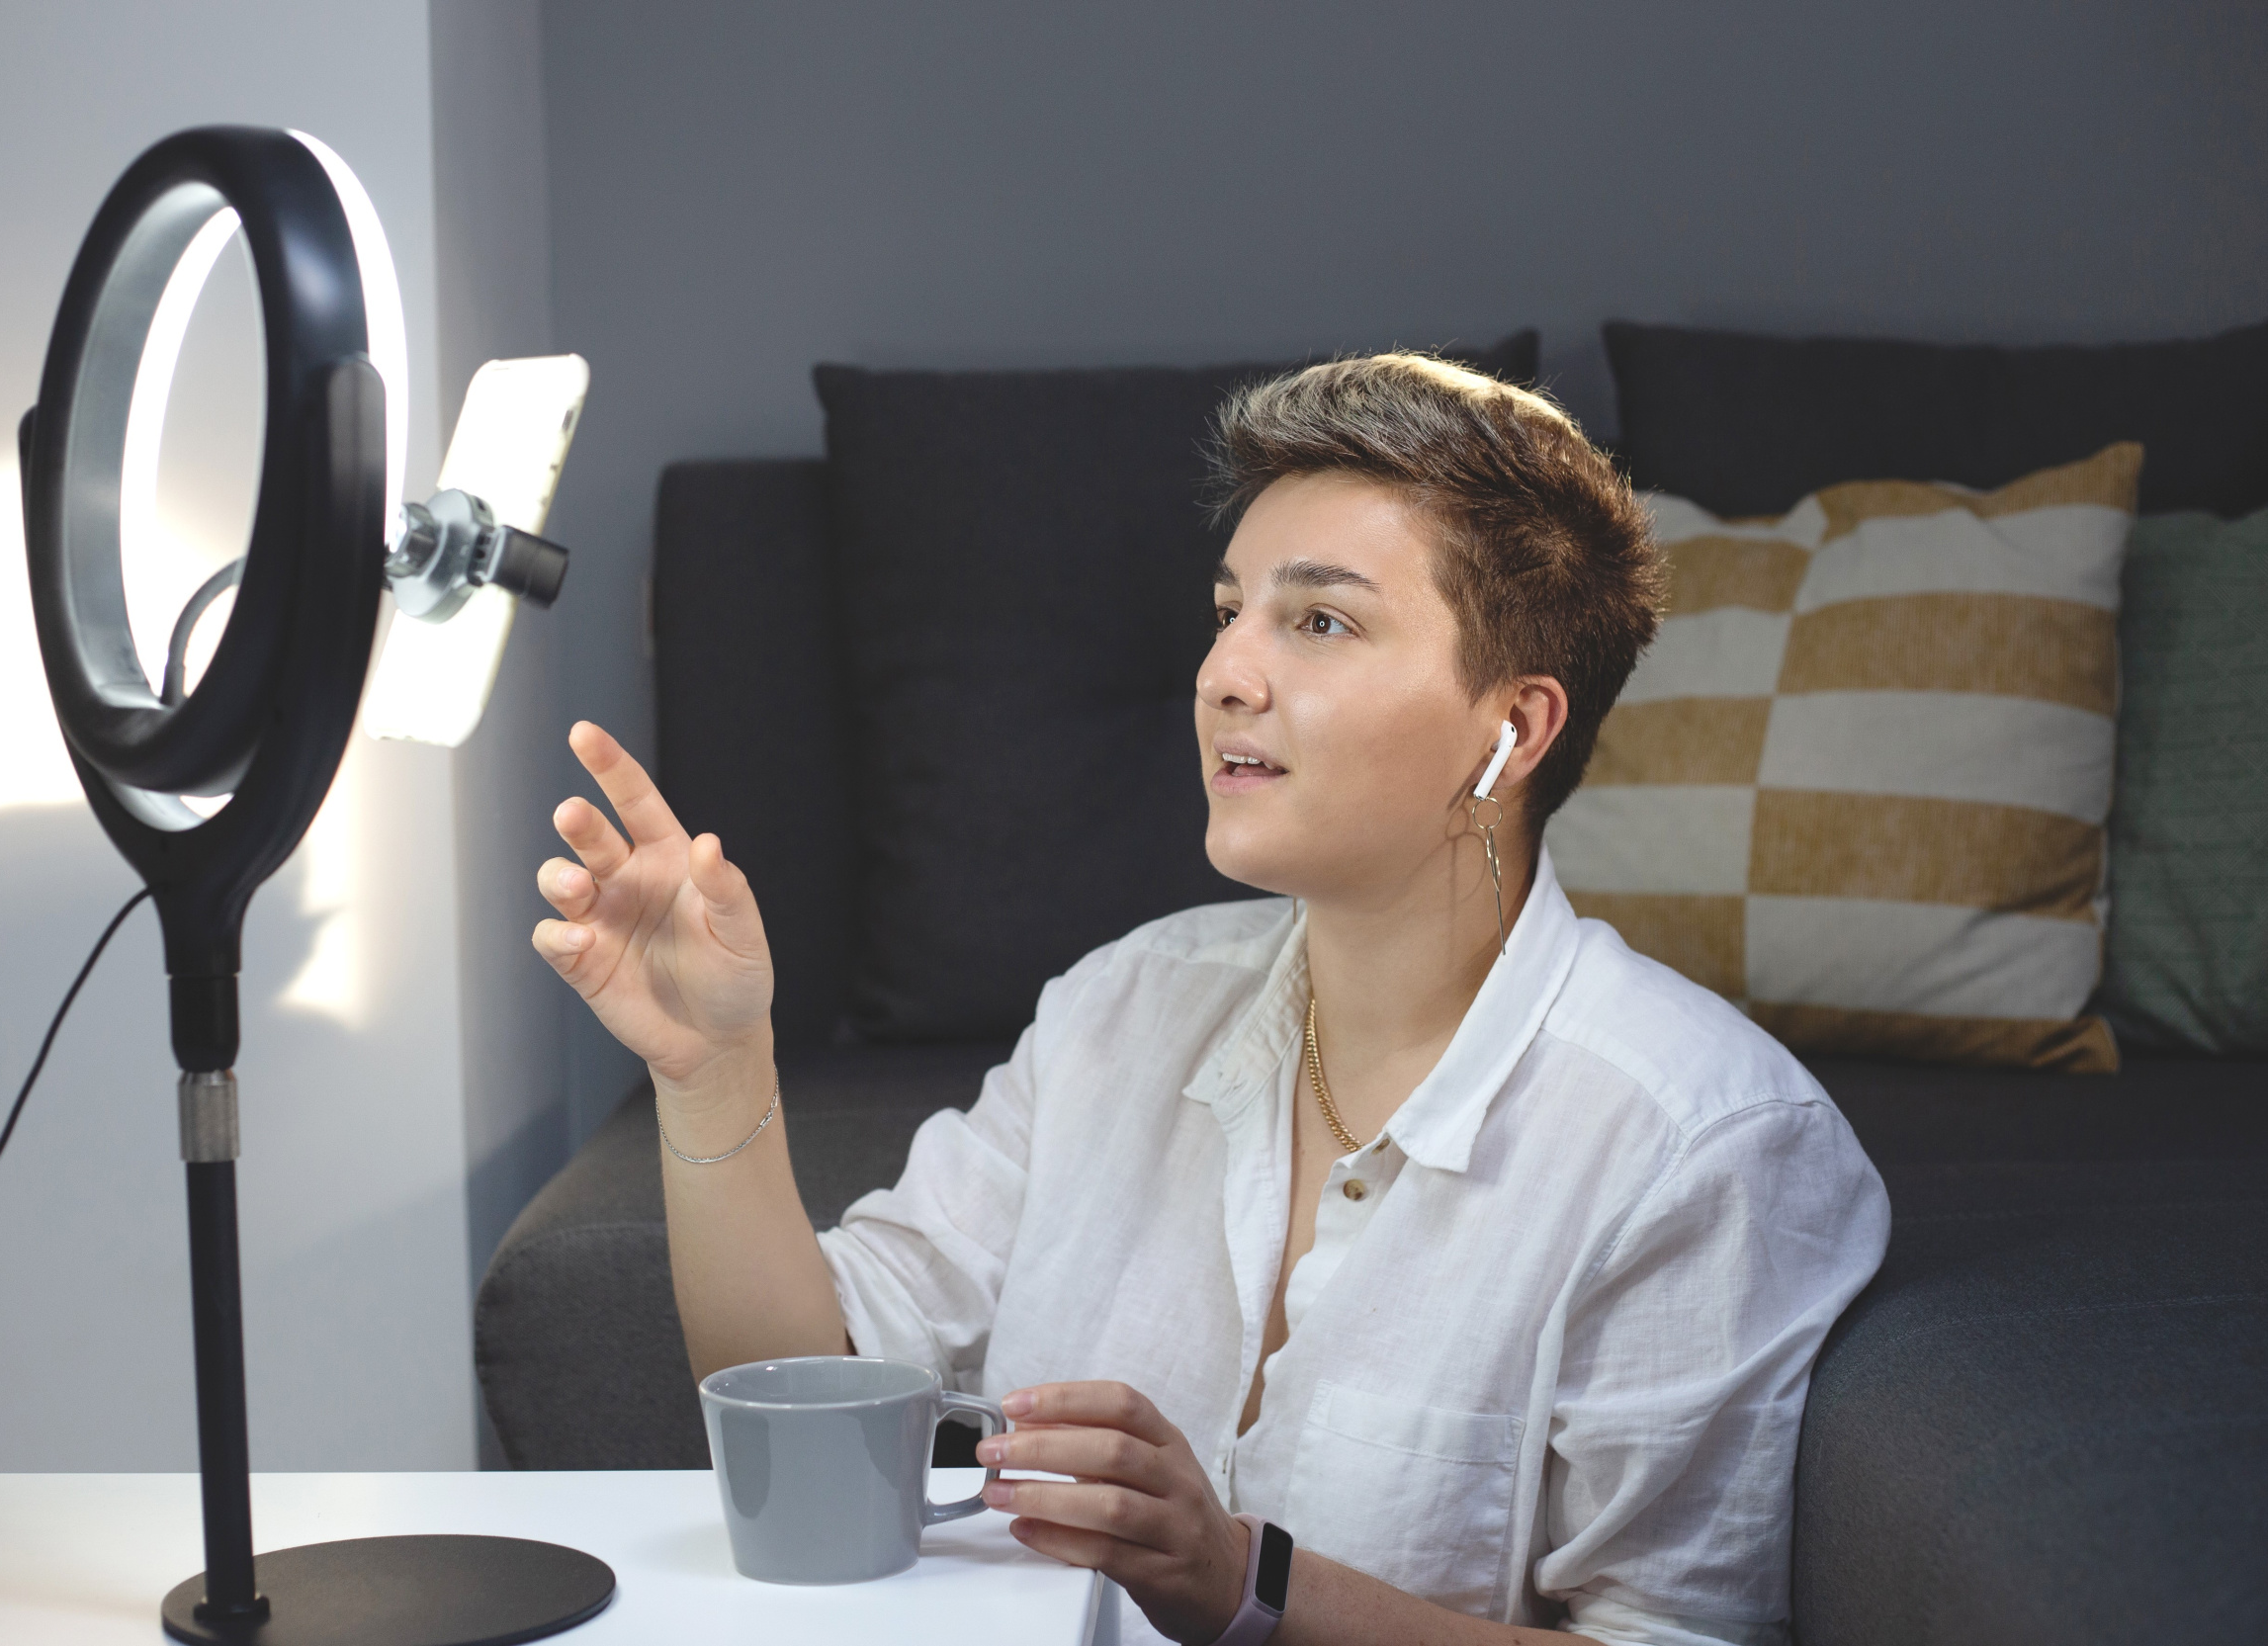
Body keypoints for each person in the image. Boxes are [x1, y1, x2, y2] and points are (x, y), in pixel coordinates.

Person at [531, 354, 1889, 1646]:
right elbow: (815, 1382)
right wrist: (716, 1067)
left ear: (1515, 729)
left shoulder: (1702, 1145)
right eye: (1228, 608)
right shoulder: (1124, 1004)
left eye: (1320, 618)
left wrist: (1247, 1582)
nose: (1226, 670)